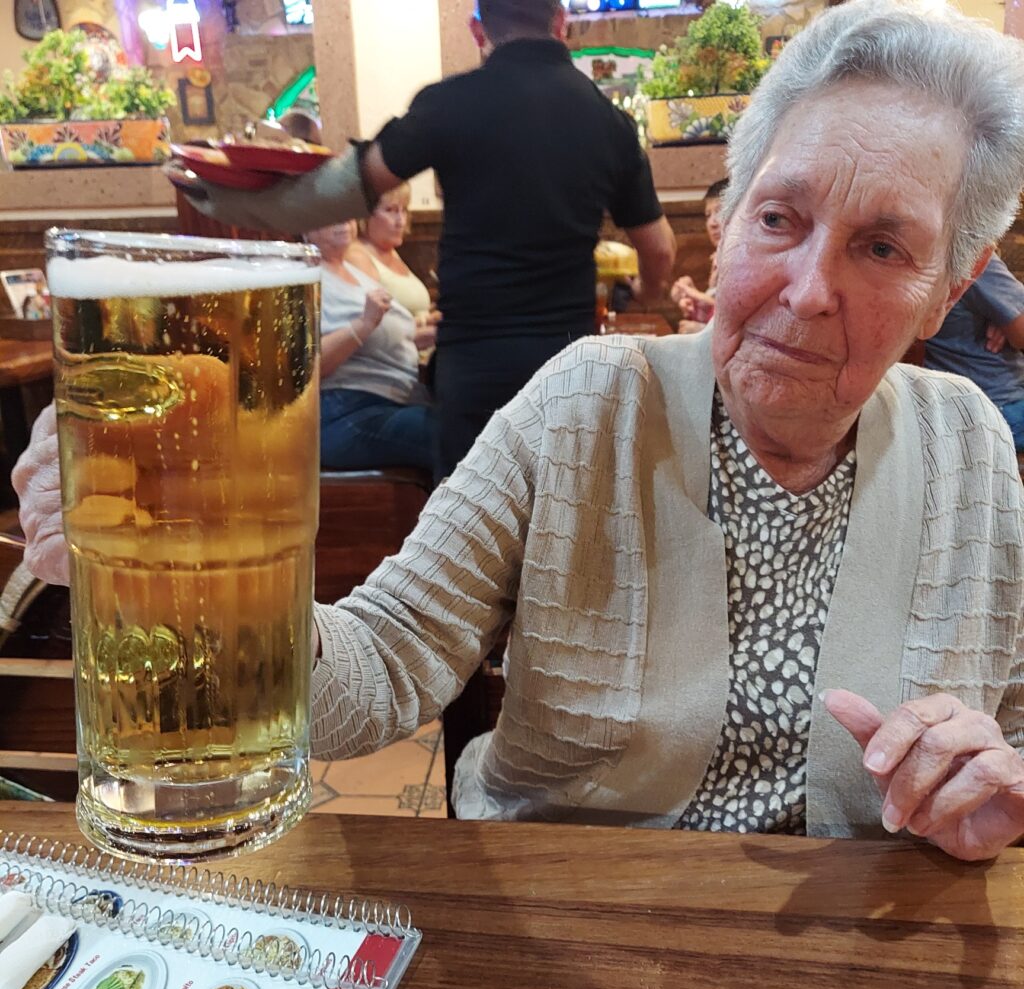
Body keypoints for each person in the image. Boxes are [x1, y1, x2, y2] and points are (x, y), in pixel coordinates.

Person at [19, 0, 1024, 861]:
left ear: (950, 288)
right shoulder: (587, 403)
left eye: (881, 247)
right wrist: (192, 578)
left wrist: (994, 786)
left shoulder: (969, 447)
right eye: (778, 219)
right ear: (724, 229)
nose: (806, 292)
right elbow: (387, 659)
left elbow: (1010, 726)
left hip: (854, 949)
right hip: (555, 919)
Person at [171, 0, 676, 480]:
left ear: (478, 31)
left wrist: (218, 196)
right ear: (562, 23)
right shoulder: (610, 122)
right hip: (565, 364)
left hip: (473, 365)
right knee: (564, 508)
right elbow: (660, 250)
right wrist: (648, 292)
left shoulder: (449, 104)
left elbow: (341, 192)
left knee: (470, 522)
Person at [306, 220, 435, 473]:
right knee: (453, 434)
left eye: (347, 213)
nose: (343, 221)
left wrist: (434, 333)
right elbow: (306, 366)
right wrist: (364, 324)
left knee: (470, 420)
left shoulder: (353, 273)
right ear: (305, 224)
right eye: (331, 214)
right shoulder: (306, 276)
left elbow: (385, 340)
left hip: (391, 402)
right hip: (346, 412)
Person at [924, 252, 1024, 450]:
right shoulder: (971, 255)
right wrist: (1010, 316)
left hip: (954, 407)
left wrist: (1004, 315)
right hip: (999, 408)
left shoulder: (932, 254)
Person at [347, 182, 439, 351]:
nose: (401, 221)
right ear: (365, 214)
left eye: (404, 210)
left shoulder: (391, 251)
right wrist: (426, 332)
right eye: (390, 210)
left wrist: (429, 319)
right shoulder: (357, 256)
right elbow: (372, 333)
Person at [672, 178, 726, 334]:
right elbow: (716, 312)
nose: (712, 223)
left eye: (719, 212)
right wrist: (693, 302)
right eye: (708, 215)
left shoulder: (745, 262)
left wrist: (700, 331)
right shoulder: (717, 259)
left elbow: (743, 324)